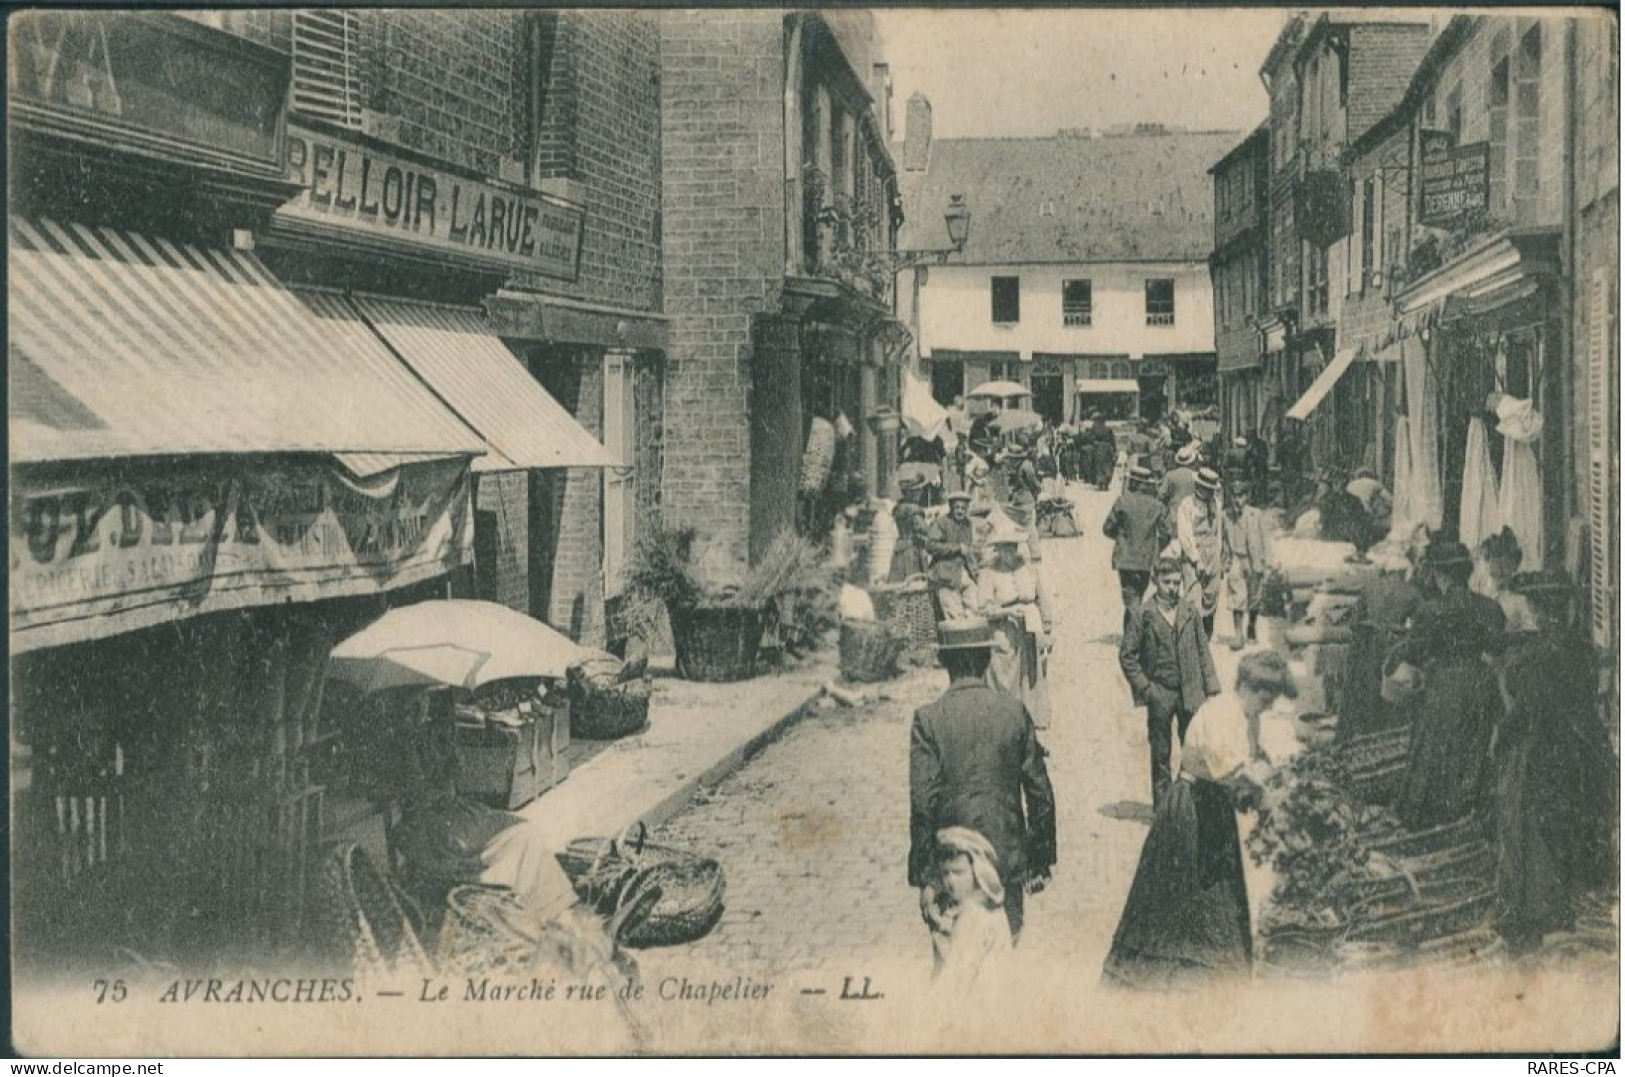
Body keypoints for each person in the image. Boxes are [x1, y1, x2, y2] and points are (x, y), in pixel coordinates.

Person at [1102, 652, 1298, 991]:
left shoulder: (1244, 715)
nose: (1268, 708)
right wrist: (1271, 800)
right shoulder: (1222, 714)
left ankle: (1201, 980)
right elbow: (1235, 772)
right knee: (1177, 897)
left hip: (1213, 808)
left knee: (1214, 899)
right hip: (1190, 809)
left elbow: (1252, 760)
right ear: (1253, 689)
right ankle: (1163, 981)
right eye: (1268, 699)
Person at [1492, 571, 1618, 953]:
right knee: (1571, 817)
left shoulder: (1533, 656)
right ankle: (1574, 895)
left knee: (1530, 821)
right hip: (1582, 744)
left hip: (1541, 748)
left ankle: (1541, 911)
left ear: (1538, 610)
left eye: (1531, 606)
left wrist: (1501, 738)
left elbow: (1526, 710)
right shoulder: (1579, 647)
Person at [909, 617, 1057, 941]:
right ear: (988, 658)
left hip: (952, 864)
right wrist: (1039, 861)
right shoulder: (1014, 712)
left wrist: (926, 876)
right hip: (1007, 859)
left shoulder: (928, 720)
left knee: (955, 967)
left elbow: (923, 804)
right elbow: (1040, 793)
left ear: (943, 661)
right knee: (1004, 957)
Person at [1393, 539, 1508, 829]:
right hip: (1481, 683)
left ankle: (1438, 819)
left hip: (1445, 685)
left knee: (1438, 750)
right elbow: (1497, 649)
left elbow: (1415, 654)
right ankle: (1472, 817)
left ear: (1440, 575)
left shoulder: (1430, 611)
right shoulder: (1490, 608)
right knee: (1476, 750)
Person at [1120, 557, 1222, 809]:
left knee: (1194, 748)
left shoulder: (1189, 611)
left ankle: (1189, 804)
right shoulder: (1143, 615)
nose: (1173, 588)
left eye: (1177, 582)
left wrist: (1211, 687)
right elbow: (1127, 656)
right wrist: (1146, 688)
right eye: (1167, 582)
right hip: (1160, 692)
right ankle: (1163, 808)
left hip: (1190, 691)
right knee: (1161, 753)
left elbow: (1202, 651)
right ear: (1155, 582)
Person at [1337, 536, 1427, 745]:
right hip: (1391, 646)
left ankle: (1353, 739)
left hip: (1365, 642)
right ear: (1405, 571)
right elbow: (1420, 627)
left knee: (1359, 692)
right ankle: (1378, 741)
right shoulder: (1412, 593)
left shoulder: (1371, 586)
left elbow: (1355, 619)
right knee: (1383, 695)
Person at [977, 518, 1054, 729]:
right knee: (1005, 677)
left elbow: (1042, 599)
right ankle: (1005, 724)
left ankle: (1032, 722)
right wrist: (1006, 611)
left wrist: (1047, 629)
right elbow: (983, 609)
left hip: (1031, 629)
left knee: (1033, 674)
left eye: (1012, 548)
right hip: (1004, 630)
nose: (1009, 553)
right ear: (997, 550)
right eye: (1004, 549)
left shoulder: (1029, 568)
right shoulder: (988, 573)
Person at [922, 827, 1014, 992]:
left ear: (978, 871)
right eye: (945, 873)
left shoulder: (972, 914)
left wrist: (940, 939)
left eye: (959, 872)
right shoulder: (986, 905)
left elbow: (953, 979)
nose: (950, 881)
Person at [1103, 465, 1168, 618]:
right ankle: (1134, 634)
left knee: (1131, 597)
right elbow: (1167, 532)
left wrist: (1121, 537)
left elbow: (1107, 528)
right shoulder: (1156, 505)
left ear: (1133, 482)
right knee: (1138, 595)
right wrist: (1155, 546)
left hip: (1125, 558)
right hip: (1146, 559)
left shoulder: (1122, 501)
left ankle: (1133, 635)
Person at [1176, 467, 1227, 639]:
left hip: (1212, 552)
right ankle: (1191, 637)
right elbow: (1185, 534)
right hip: (1193, 553)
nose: (1208, 492)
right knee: (1193, 594)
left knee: (1212, 594)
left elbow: (1218, 531)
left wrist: (1218, 556)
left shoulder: (1216, 504)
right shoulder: (1187, 505)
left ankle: (1207, 636)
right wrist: (1196, 559)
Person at [1222, 479, 1273, 650]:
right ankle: (1238, 634)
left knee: (1254, 597)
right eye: (1234, 496)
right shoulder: (1226, 515)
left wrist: (1268, 561)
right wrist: (1224, 560)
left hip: (1254, 561)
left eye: (1241, 496)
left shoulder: (1256, 514)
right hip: (1236, 558)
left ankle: (1251, 626)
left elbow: (1265, 538)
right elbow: (1221, 539)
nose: (1238, 500)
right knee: (1237, 596)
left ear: (1247, 496)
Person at [1475, 527, 1540, 634]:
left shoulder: (1521, 600)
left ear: (1514, 567)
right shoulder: (1482, 594)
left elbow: (1531, 632)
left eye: (1505, 565)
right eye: (1495, 564)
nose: (1500, 571)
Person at [925, 491, 979, 618]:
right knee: (956, 617)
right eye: (957, 508)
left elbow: (968, 549)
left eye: (963, 508)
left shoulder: (967, 524)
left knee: (976, 610)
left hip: (963, 573)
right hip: (945, 575)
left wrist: (975, 569)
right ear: (951, 508)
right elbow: (930, 545)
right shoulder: (941, 523)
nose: (960, 511)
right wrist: (956, 548)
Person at [888, 502, 932, 583]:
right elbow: (923, 528)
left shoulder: (899, 509)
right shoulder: (914, 511)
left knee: (897, 580)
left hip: (900, 546)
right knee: (914, 581)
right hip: (912, 549)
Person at [1345, 467, 1393, 539]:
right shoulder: (1375, 484)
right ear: (1371, 476)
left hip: (1350, 513)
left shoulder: (1350, 485)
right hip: (1366, 511)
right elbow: (1390, 500)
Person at [1159, 443, 1201, 516]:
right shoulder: (1196, 476)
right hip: (1191, 513)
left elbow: (1161, 494)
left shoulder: (1170, 475)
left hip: (1174, 512)